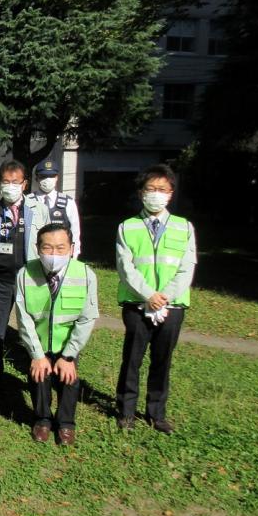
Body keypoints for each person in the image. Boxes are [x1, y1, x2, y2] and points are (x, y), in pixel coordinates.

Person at [115, 164, 197, 435]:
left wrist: (164, 298)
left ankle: (156, 413)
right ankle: (126, 410)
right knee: (132, 359)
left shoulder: (184, 228)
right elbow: (125, 268)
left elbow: (187, 266)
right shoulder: (127, 227)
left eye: (162, 189)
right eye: (151, 189)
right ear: (141, 193)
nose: (156, 194)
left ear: (171, 194)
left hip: (172, 307)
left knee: (163, 360)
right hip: (137, 304)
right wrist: (148, 295)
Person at [15, 224, 98, 445]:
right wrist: (37, 354)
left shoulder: (86, 274)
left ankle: (66, 424)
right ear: (38, 248)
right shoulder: (25, 274)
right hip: (39, 342)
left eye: (60, 248)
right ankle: (42, 419)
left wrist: (69, 355)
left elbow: (87, 318)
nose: (54, 254)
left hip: (68, 343)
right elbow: (23, 318)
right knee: (39, 377)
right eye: (47, 248)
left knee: (68, 379)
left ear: (71, 248)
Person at [0, 159, 50, 384]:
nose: (10, 186)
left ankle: (37, 368)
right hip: (0, 280)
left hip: (31, 278)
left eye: (15, 181)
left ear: (24, 184)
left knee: (33, 325)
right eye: (5, 182)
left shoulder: (39, 210)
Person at [27, 160, 82, 258]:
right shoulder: (28, 201)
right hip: (34, 254)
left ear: (57, 177)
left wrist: (74, 255)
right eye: (43, 176)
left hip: (60, 254)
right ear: (36, 178)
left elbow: (75, 231)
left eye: (51, 176)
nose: (48, 179)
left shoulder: (67, 202)